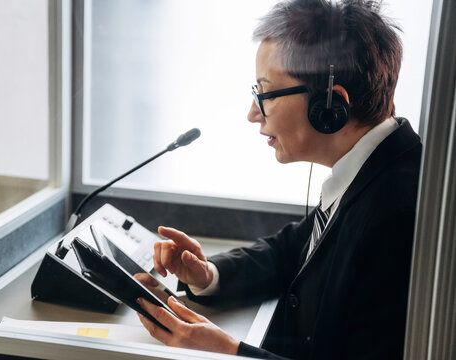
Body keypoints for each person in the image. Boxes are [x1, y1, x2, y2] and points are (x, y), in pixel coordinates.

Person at [136, 0, 422, 358]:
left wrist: (230, 351)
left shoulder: (398, 212)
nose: (253, 114)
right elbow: (293, 250)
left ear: (329, 107)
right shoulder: (372, 167)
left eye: (265, 93)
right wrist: (207, 275)